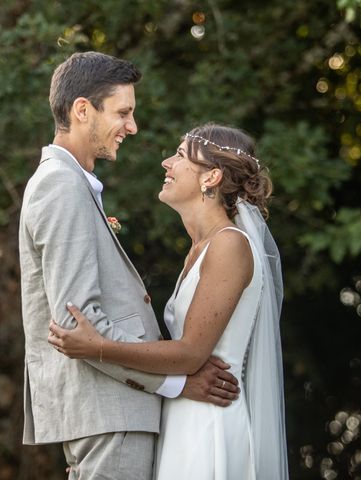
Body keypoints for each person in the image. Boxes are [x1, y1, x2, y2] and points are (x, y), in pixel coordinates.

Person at [19, 53, 241, 480]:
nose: (133, 127)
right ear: (82, 110)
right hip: (110, 413)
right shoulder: (60, 185)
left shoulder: (72, 183)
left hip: (115, 413)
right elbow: (78, 325)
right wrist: (176, 384)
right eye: (123, 112)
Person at [49, 123, 289, 479]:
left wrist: (98, 347)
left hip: (209, 424)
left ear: (211, 178)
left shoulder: (230, 245)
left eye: (179, 155)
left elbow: (191, 353)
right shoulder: (200, 249)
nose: (166, 163)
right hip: (184, 415)